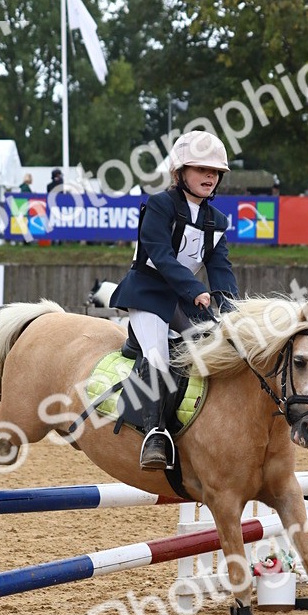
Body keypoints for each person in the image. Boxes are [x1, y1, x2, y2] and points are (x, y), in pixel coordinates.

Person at [109, 130, 238, 471]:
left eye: (215, 172)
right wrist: (194, 289)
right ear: (180, 172)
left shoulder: (218, 222)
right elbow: (161, 256)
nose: (210, 177)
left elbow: (221, 270)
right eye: (201, 170)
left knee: (217, 348)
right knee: (160, 356)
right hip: (148, 293)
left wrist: (233, 311)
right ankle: (154, 434)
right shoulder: (159, 204)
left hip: (185, 301)